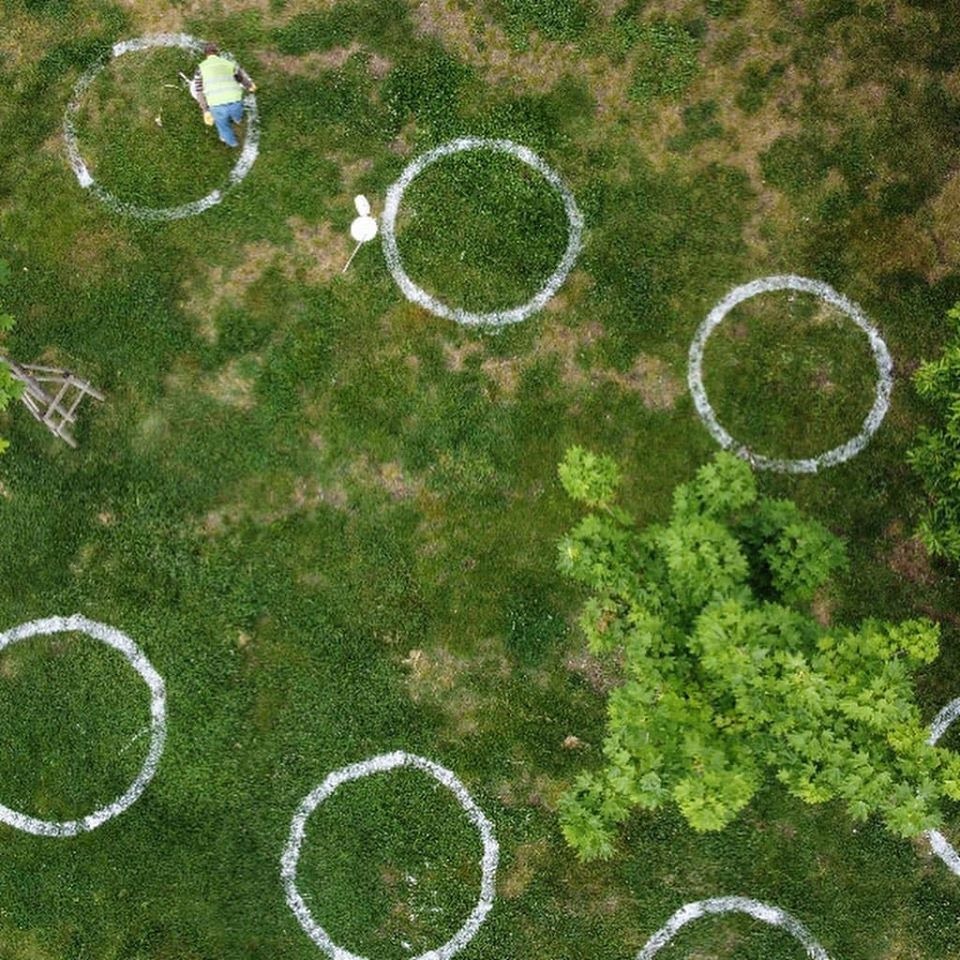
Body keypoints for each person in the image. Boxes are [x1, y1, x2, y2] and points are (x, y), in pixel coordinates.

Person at [194, 43, 257, 148]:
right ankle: (237, 119)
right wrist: (249, 86)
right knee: (237, 114)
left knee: (223, 127)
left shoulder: (200, 69)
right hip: (235, 100)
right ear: (217, 52)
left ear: (205, 54)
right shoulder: (229, 64)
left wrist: (205, 110)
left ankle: (232, 143)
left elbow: (199, 91)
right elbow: (240, 78)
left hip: (217, 105)